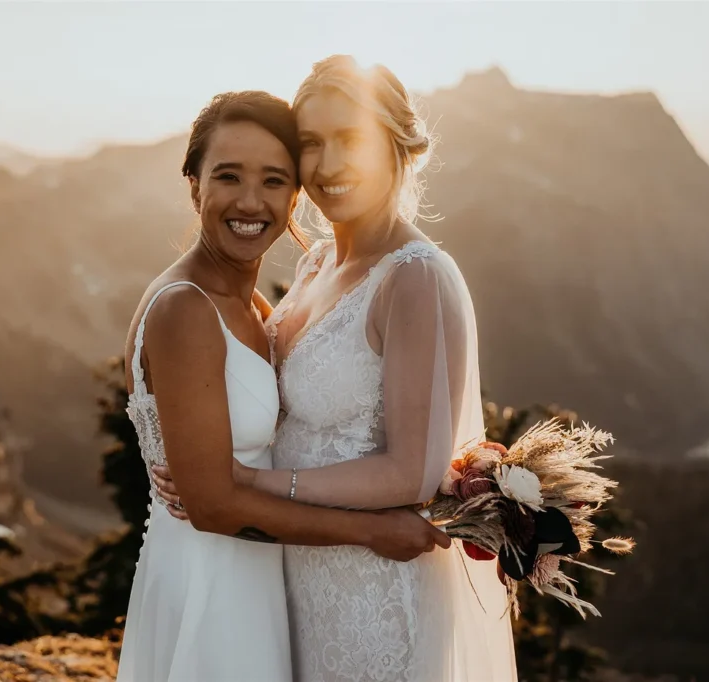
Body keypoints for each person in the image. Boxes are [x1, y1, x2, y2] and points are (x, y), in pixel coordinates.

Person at [154, 57, 518, 681]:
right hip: (297, 576)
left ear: (399, 147)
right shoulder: (315, 265)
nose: (325, 166)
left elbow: (412, 472)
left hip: (375, 596)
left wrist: (245, 482)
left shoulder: (416, 277)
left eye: (350, 139)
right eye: (311, 144)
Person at [116, 89, 449, 682]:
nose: (251, 201)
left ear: (295, 193)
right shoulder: (185, 308)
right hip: (212, 584)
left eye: (273, 180)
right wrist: (374, 531)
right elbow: (213, 506)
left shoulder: (258, 308)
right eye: (228, 177)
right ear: (193, 183)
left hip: (259, 577)